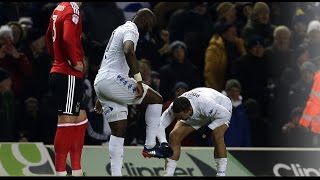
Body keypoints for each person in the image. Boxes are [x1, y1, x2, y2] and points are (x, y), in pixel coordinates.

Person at [93, 8, 171, 176]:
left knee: (119, 130)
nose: (148, 31)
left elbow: (108, 59)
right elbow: (129, 51)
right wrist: (139, 80)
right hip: (112, 79)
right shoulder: (131, 29)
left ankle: (116, 174)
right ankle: (150, 146)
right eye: (150, 26)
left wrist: (102, 94)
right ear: (145, 21)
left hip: (103, 81)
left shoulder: (118, 29)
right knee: (156, 99)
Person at [45, 2, 87, 176]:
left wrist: (56, 58)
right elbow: (68, 38)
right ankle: (61, 172)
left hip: (62, 72)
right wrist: (72, 61)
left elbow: (48, 36)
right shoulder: (72, 9)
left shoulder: (59, 7)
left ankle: (76, 170)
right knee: (67, 120)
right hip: (67, 74)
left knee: (81, 116)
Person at [157, 87, 232, 176]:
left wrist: (209, 128)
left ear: (188, 110)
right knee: (174, 136)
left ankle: (221, 174)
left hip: (221, 107)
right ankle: (168, 174)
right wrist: (163, 142)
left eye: (181, 117)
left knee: (217, 135)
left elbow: (225, 115)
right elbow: (159, 125)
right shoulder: (174, 107)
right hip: (200, 111)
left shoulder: (206, 104)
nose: (178, 119)